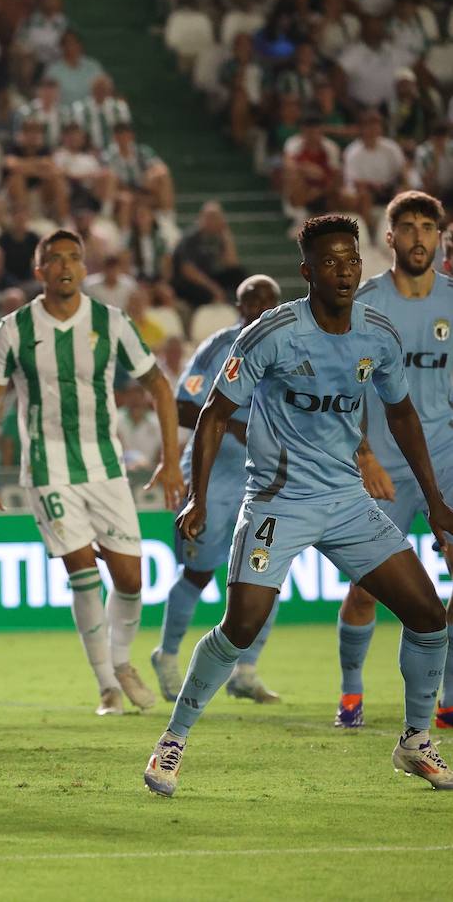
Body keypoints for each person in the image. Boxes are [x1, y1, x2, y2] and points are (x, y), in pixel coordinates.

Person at [145, 214, 453, 796]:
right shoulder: (272, 332)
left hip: (345, 500)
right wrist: (198, 497)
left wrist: (435, 501)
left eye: (352, 259)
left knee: (429, 617)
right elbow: (212, 412)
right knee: (240, 625)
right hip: (277, 503)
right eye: (331, 261)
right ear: (307, 270)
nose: (344, 270)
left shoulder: (377, 334)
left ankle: (414, 741)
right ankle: (172, 741)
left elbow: (402, 414)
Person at [0, 229, 185, 715]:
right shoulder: (13, 329)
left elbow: (160, 387)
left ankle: (122, 662)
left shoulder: (112, 322)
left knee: (131, 578)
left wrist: (172, 462)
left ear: (85, 269)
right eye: (55, 259)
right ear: (39, 270)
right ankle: (107, 684)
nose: (66, 266)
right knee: (82, 569)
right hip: (47, 468)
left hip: (105, 466)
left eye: (74, 258)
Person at [330, 191, 453, 730]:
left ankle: (447, 696)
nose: (419, 237)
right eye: (409, 227)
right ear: (391, 237)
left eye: (429, 227)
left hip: (447, 458)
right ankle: (352, 693)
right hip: (382, 463)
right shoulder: (367, 303)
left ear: (441, 237)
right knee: (365, 591)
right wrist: (363, 453)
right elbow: (342, 386)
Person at [150, 275, 283, 707]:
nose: (261, 307)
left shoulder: (293, 345)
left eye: (269, 300)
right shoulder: (218, 346)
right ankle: (166, 656)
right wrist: (237, 424)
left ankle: (246, 671)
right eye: (251, 300)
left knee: (266, 574)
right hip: (212, 478)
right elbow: (184, 404)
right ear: (238, 305)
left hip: (264, 481)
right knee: (198, 573)